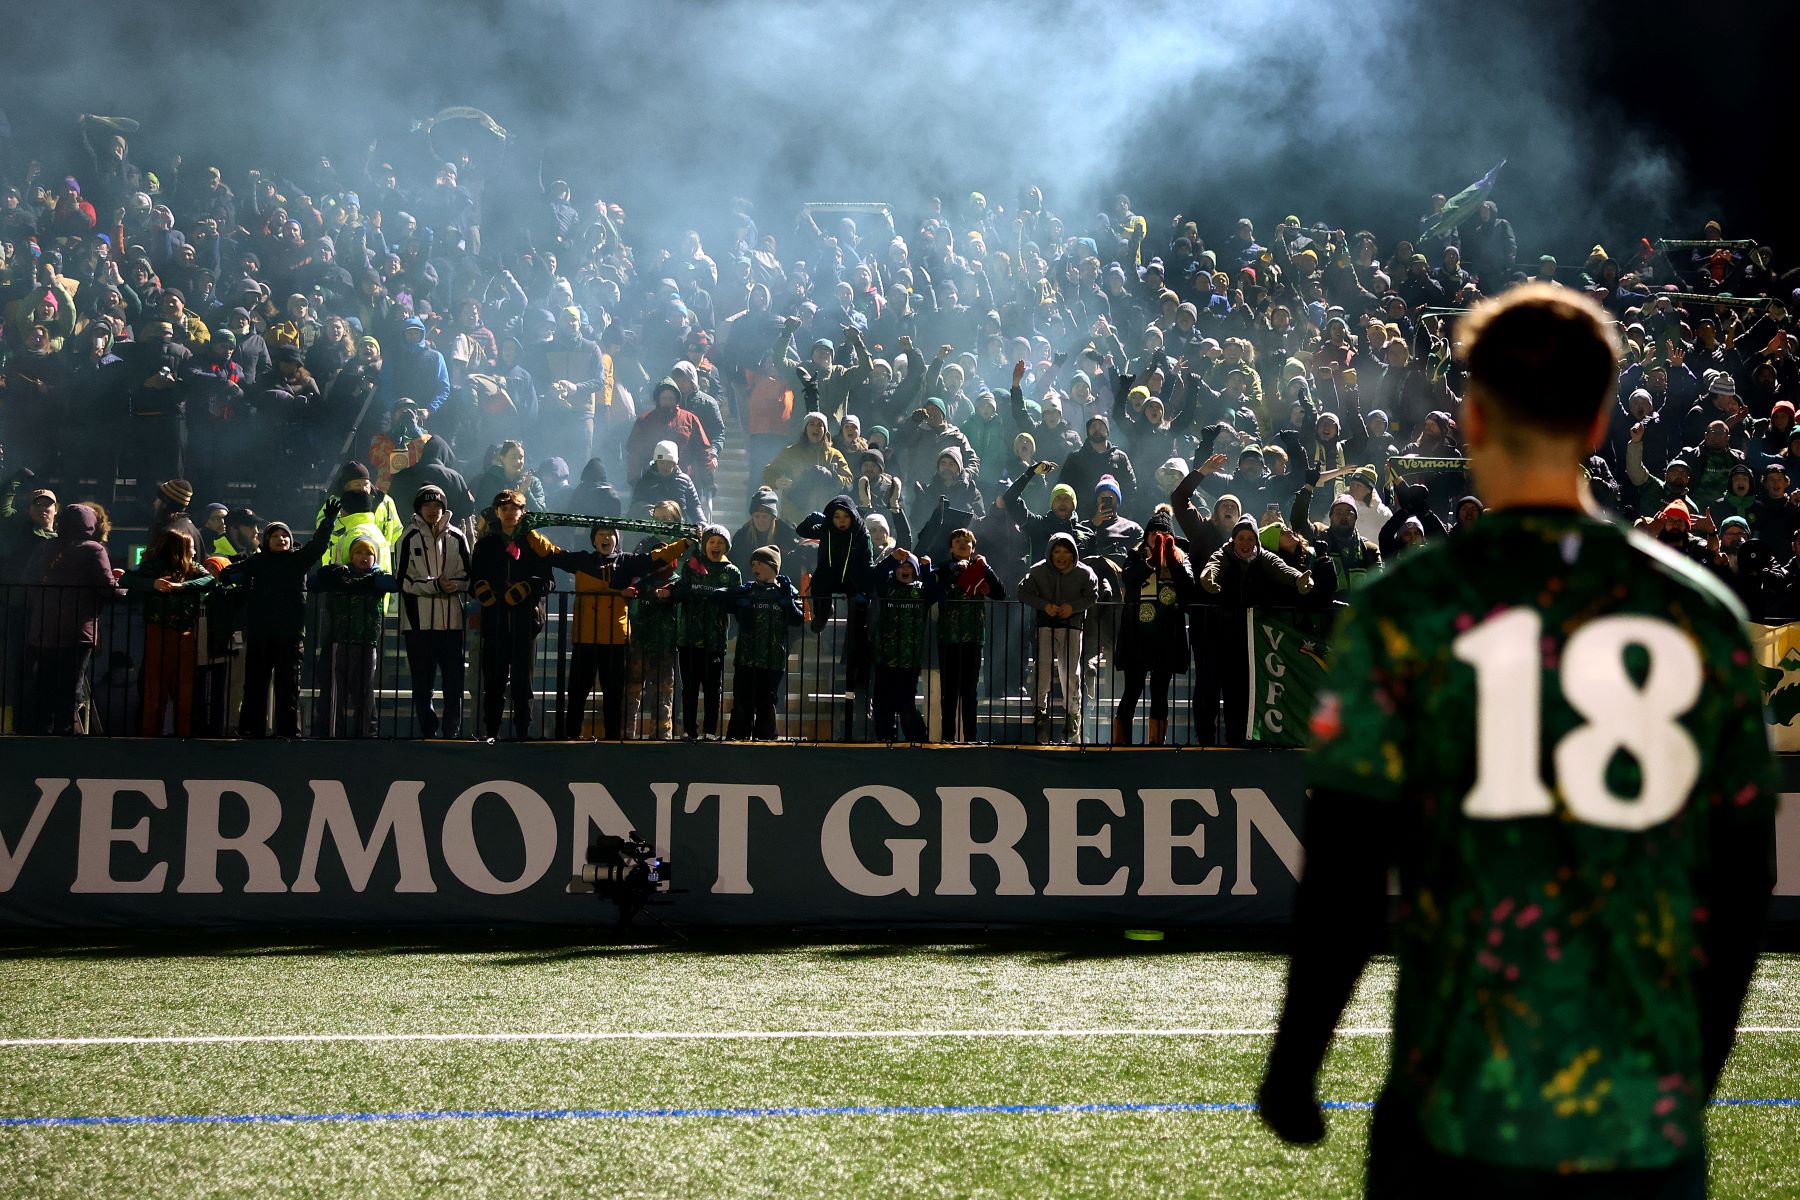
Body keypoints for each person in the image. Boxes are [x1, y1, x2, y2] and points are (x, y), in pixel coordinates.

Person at [1260, 284, 1778, 1198]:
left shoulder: (1403, 610)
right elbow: (1740, 879)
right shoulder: (1702, 619)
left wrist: (1297, 1064)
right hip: (1638, 1124)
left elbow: (1346, 865)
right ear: (1603, 417)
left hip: (1453, 1114)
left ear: (1471, 413)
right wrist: (1690, 1074)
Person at [542, 522, 690, 740]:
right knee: (577, 693)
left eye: (610, 534)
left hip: (615, 639)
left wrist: (685, 543)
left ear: (617, 539)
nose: (605, 538)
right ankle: (571, 736)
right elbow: (552, 553)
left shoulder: (627, 562)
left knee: (613, 695)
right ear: (593, 540)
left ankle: (612, 739)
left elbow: (657, 557)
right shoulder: (583, 560)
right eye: (601, 534)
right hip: (585, 637)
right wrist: (528, 532)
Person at [222, 500, 339, 738]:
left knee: (288, 687)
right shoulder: (257, 561)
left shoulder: (297, 560)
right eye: (274, 535)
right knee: (255, 685)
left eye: (284, 535)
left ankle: (288, 733)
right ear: (266, 540)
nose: (280, 539)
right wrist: (229, 574)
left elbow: (317, 546)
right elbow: (230, 573)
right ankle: (251, 730)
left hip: (290, 635)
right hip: (261, 634)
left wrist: (327, 524)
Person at [23, 503, 121, 735]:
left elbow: (28, 580)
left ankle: (40, 736)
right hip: (77, 630)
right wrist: (121, 586)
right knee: (70, 687)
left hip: (43, 628)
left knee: (45, 685)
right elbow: (108, 590)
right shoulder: (94, 549)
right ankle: (64, 738)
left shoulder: (45, 547)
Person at [467, 490, 556, 741]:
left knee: (522, 684)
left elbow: (549, 582)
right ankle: (491, 732)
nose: (509, 513)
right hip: (494, 621)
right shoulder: (485, 544)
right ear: (497, 512)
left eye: (514, 508)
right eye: (504, 508)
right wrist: (483, 590)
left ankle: (522, 733)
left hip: (524, 622)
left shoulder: (535, 543)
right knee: (493, 682)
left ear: (522, 511)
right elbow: (473, 581)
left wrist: (526, 589)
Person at [1110, 508, 1195, 745]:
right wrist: (1151, 561)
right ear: (1146, 534)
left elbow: (1189, 585)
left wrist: (1171, 558)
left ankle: (1157, 743)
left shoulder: (1181, 557)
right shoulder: (1135, 555)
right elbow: (1128, 580)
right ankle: (1121, 742)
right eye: (1154, 531)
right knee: (1133, 689)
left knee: (1159, 692)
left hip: (1167, 634)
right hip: (1137, 634)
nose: (1158, 535)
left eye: (1163, 532)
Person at [395, 484, 471, 738]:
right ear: (419, 508)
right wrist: (435, 585)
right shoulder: (407, 538)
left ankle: (452, 732)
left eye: (438, 505)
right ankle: (428, 730)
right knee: (422, 683)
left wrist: (454, 585)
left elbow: (470, 577)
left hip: (453, 624)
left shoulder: (458, 537)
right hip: (418, 625)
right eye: (427, 505)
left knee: (454, 683)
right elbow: (402, 581)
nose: (433, 510)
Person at [123, 528, 214, 736]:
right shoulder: (152, 565)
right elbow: (126, 579)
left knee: (184, 687)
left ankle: (182, 733)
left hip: (184, 633)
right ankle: (151, 734)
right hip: (158, 631)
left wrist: (179, 587)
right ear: (179, 549)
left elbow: (209, 581)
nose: (193, 552)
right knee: (155, 685)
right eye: (190, 548)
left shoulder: (193, 567)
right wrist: (152, 584)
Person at [1019, 531, 1098, 744]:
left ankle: (1073, 715)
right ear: (1050, 553)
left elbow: (1093, 595)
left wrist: (1073, 607)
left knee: (1071, 672)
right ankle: (1039, 711)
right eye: (1057, 551)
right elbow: (1022, 592)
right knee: (1042, 668)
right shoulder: (1037, 571)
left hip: (1072, 627)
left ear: (1073, 554)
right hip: (1045, 626)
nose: (1061, 556)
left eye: (1066, 552)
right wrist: (1045, 605)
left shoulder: (1085, 572)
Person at [719, 545, 803, 740]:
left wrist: (787, 600)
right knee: (742, 700)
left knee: (766, 700)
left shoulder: (786, 589)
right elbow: (725, 603)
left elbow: (798, 619)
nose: (754, 567)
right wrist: (738, 600)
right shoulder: (748, 589)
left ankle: (765, 738)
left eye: (759, 563)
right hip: (746, 656)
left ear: (772, 566)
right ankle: (738, 738)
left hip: (772, 658)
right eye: (753, 564)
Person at [667, 525, 743, 740]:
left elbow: (734, 603)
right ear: (704, 544)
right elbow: (680, 591)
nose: (715, 546)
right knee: (689, 688)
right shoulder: (692, 567)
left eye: (720, 542)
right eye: (711, 541)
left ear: (726, 546)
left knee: (712, 689)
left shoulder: (731, 572)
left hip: (715, 640)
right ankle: (689, 730)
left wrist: (724, 596)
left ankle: (710, 731)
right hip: (688, 639)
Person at [315, 536, 394, 737]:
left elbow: (394, 583)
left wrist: (366, 582)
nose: (363, 557)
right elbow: (314, 582)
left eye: (368, 553)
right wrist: (330, 572)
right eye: (359, 552)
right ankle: (334, 733)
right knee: (337, 692)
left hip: (367, 642)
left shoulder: (379, 577)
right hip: (340, 642)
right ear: (351, 555)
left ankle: (366, 733)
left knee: (365, 692)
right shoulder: (339, 575)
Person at [934, 527, 1005, 743]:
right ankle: (947, 737)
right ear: (951, 547)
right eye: (957, 541)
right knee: (949, 692)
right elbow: (940, 588)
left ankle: (971, 737)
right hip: (948, 637)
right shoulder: (943, 567)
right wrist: (957, 569)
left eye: (967, 541)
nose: (962, 544)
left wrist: (986, 568)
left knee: (969, 692)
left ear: (974, 548)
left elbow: (1000, 594)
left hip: (973, 637)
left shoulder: (981, 568)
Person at [869, 549, 938, 742]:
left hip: (910, 659)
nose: (905, 569)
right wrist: (892, 559)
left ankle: (916, 740)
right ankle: (884, 740)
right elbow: (877, 575)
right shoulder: (887, 588)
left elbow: (936, 592)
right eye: (901, 567)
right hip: (885, 657)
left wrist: (926, 570)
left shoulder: (921, 591)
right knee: (883, 703)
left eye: (909, 567)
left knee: (906, 703)